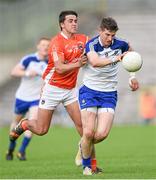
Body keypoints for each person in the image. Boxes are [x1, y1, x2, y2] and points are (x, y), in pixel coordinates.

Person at [78, 17, 140, 175]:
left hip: (109, 93)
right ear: (100, 31)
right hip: (89, 91)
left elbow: (132, 58)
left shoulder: (122, 44)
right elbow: (95, 62)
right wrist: (117, 58)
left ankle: (82, 146)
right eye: (107, 35)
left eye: (112, 35)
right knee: (88, 132)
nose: (110, 38)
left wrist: (132, 77)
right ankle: (86, 166)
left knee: (102, 134)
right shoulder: (91, 44)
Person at [6, 37, 50, 160]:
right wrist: (27, 73)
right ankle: (11, 148)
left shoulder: (50, 63)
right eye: (43, 45)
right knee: (15, 122)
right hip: (22, 97)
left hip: (36, 99)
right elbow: (13, 72)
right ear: (38, 46)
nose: (45, 47)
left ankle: (22, 151)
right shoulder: (29, 59)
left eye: (48, 45)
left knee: (32, 123)